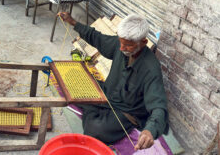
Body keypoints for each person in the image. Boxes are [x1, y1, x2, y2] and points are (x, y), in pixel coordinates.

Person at [58, 12, 169, 150]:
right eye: (120, 42)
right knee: (73, 76)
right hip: (107, 94)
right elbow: (98, 38)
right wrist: (72, 21)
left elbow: (159, 107)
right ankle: (95, 111)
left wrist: (150, 130)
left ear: (143, 42)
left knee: (95, 130)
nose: (121, 48)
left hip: (125, 111)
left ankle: (94, 113)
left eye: (127, 45)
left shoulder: (151, 69)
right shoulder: (120, 45)